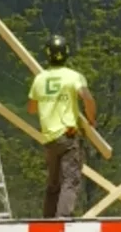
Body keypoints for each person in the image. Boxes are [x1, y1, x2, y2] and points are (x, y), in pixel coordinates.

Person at [27, 35, 97, 219]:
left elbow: (32, 108)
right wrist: (91, 119)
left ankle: (48, 219)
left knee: (53, 182)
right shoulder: (73, 76)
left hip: (49, 138)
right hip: (68, 135)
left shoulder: (40, 79)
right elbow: (87, 98)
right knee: (70, 180)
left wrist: (48, 100)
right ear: (67, 53)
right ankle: (63, 218)